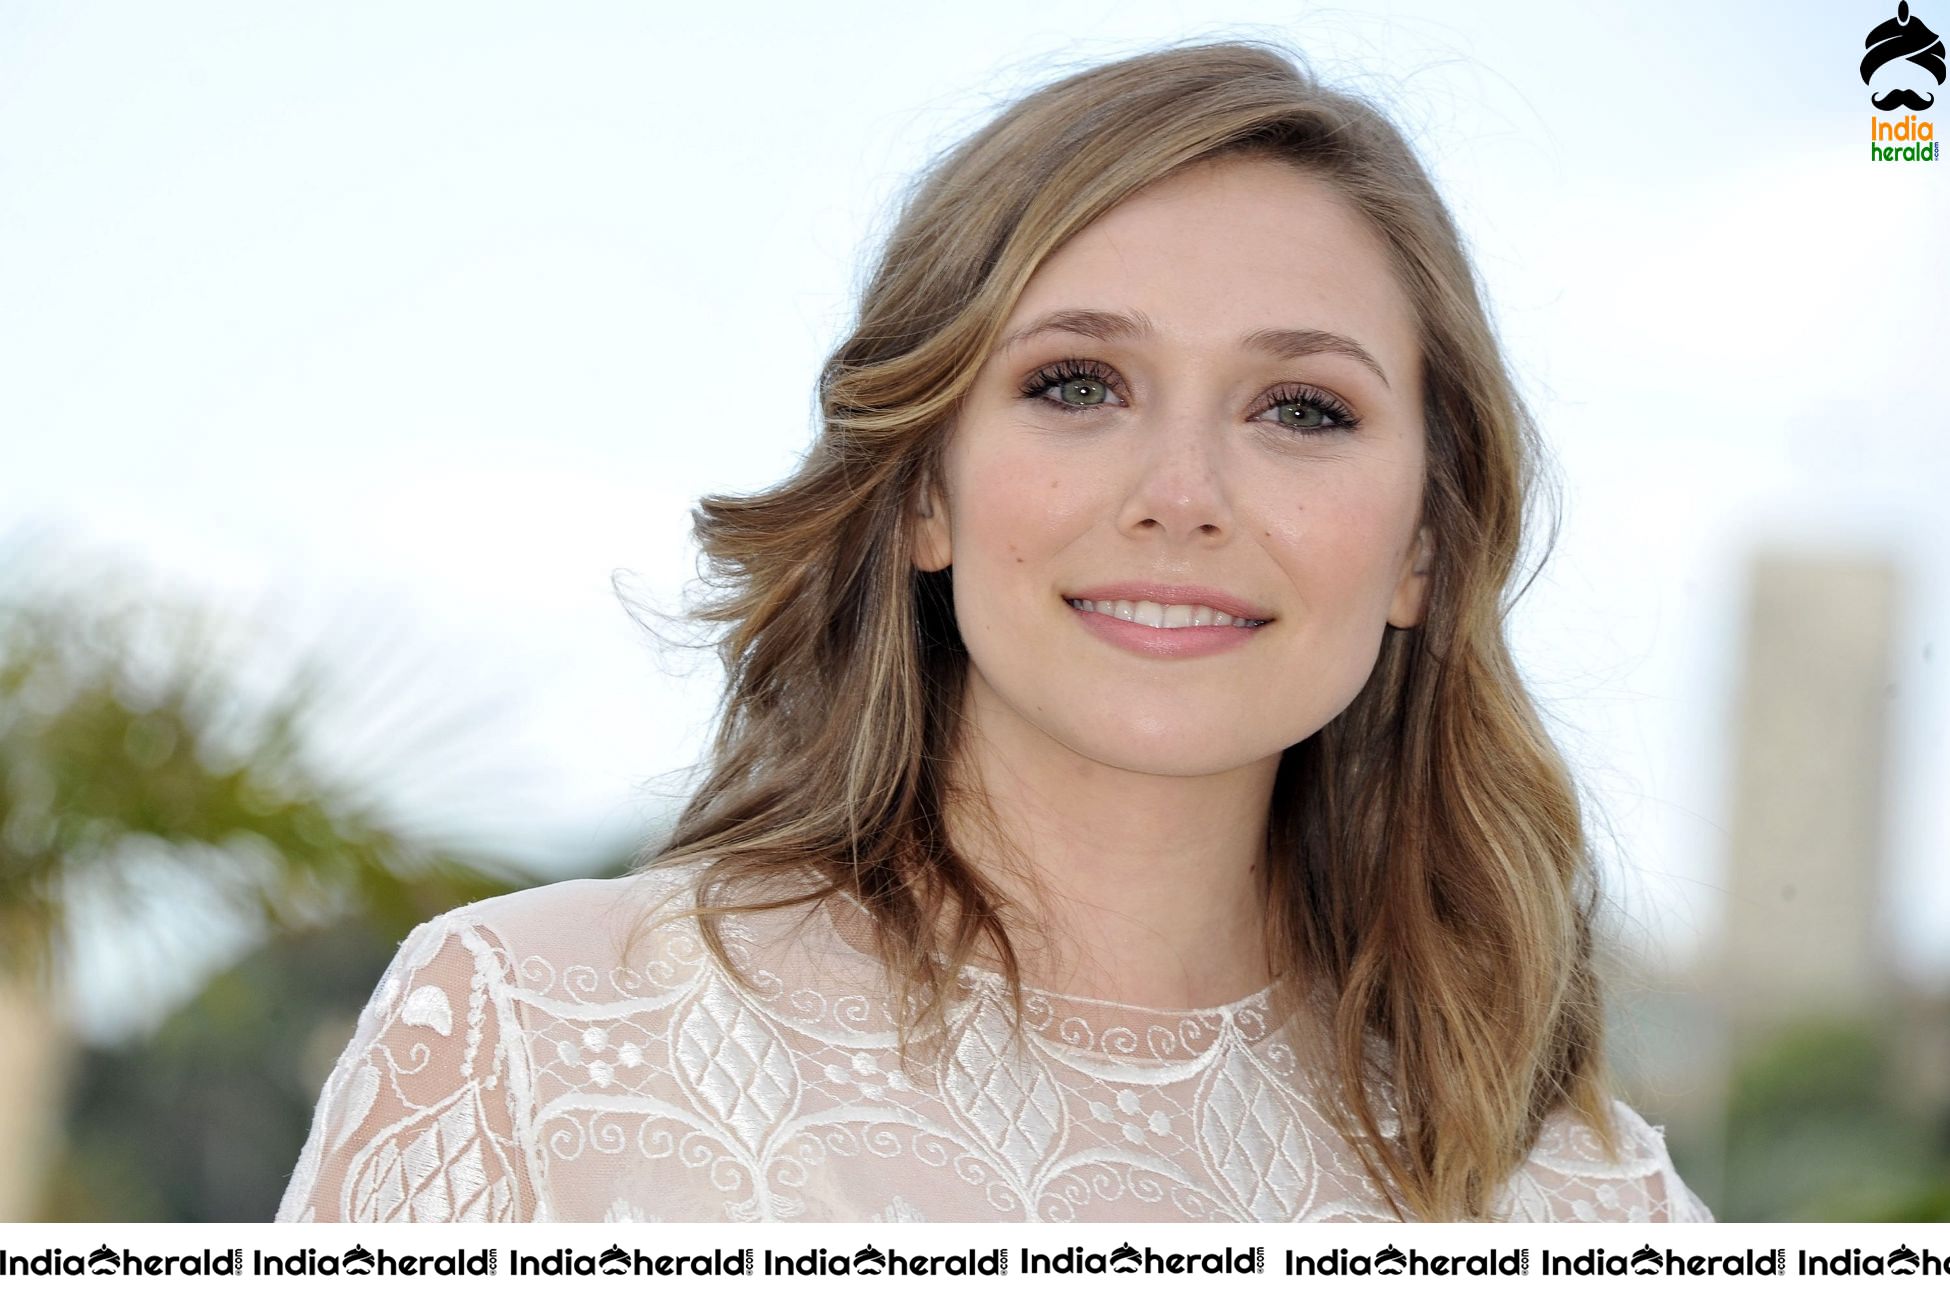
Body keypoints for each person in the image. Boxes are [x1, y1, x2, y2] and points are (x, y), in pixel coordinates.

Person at [275, 38, 1712, 1224]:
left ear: (1418, 543)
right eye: (1079, 383)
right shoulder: (528, 1041)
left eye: (1302, 409)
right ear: (920, 493)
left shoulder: (1578, 1195)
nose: (1181, 496)